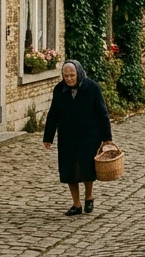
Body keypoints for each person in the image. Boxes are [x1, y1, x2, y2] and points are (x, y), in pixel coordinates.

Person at [43, 60, 113, 216]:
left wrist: (107, 138)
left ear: (79, 73)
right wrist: (48, 137)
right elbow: (53, 114)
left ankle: (89, 196)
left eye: (72, 75)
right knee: (69, 170)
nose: (68, 79)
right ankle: (76, 204)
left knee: (87, 169)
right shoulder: (59, 89)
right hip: (67, 136)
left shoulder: (92, 88)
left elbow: (103, 115)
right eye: (65, 76)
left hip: (89, 136)